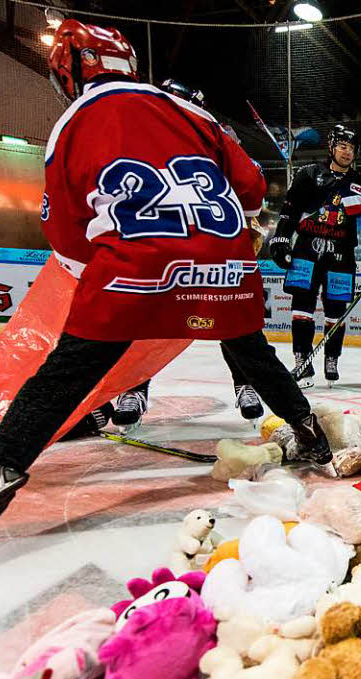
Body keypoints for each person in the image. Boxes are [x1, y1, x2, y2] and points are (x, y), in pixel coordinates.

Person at [0, 19, 331, 582]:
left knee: (64, 375)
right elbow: (256, 189)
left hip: (132, 272)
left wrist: (122, 273)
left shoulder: (73, 122)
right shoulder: (194, 113)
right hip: (227, 267)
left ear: (69, 71)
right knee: (250, 352)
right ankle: (311, 435)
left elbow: (64, 235)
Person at [111, 79, 266, 429]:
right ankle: (132, 389)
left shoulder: (216, 134)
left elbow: (248, 183)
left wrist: (247, 222)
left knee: (231, 315)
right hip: (160, 242)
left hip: (211, 243)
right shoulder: (138, 136)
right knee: (144, 318)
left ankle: (246, 384)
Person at [268, 125, 361, 388]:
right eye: (343, 146)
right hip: (305, 253)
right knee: (302, 308)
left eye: (352, 148)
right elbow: (289, 211)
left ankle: (332, 358)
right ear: (332, 147)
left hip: (341, 256)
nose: (347, 152)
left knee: (336, 311)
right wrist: (280, 238)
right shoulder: (308, 174)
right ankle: (302, 360)